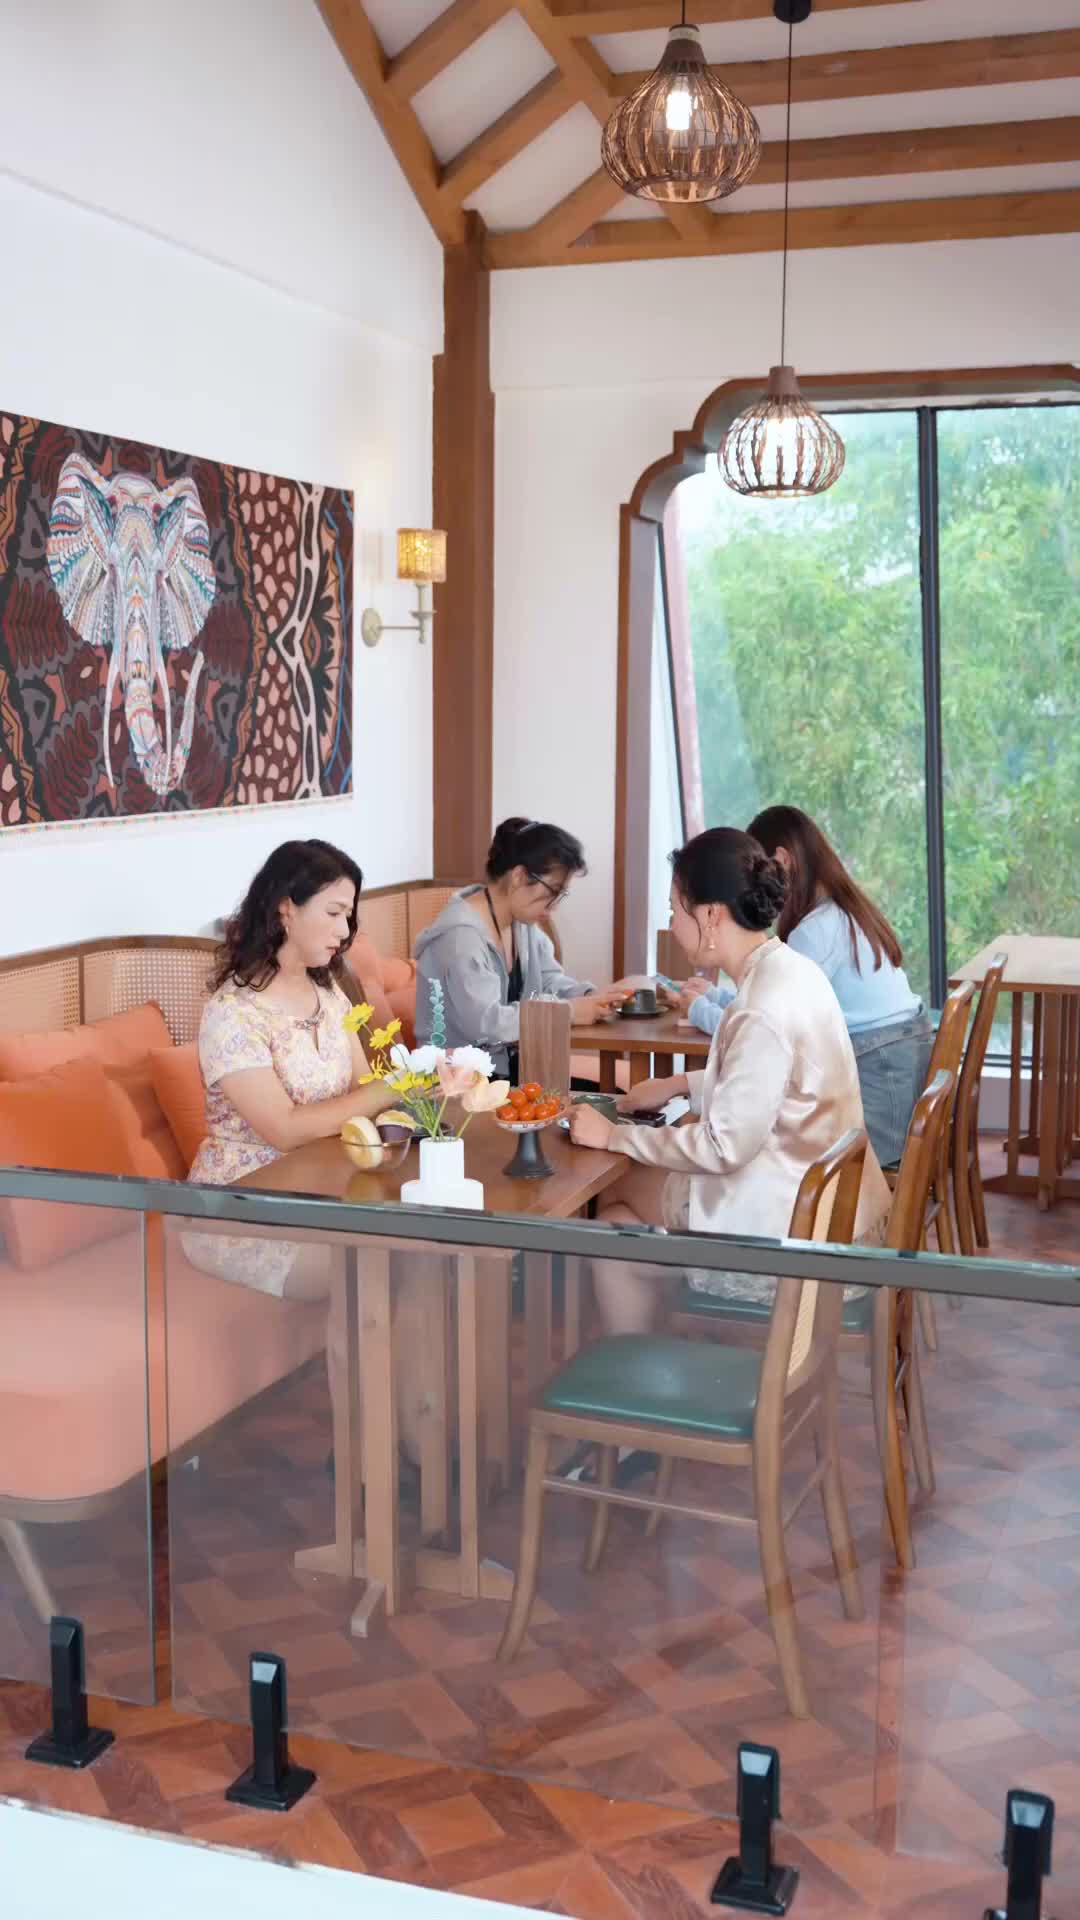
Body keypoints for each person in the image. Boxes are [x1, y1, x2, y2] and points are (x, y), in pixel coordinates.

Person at [570, 827, 890, 1337]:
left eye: (675, 910)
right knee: (623, 1221)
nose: (672, 925)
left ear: (711, 915)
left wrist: (613, 1135)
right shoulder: (794, 971)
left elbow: (724, 1146)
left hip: (788, 1236)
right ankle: (655, 1350)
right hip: (838, 1214)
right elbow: (778, 1083)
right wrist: (680, 1084)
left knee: (612, 1207)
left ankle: (638, 1362)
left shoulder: (760, 1007)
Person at [669, 806, 931, 1168]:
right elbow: (766, 1008)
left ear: (782, 860)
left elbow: (764, 1024)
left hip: (880, 1087)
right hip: (896, 1066)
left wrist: (700, 1010)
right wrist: (712, 996)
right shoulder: (838, 913)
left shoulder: (814, 931)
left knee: (721, 1139)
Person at [414, 817, 626, 1078]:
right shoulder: (460, 939)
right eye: (553, 892)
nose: (554, 906)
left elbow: (547, 981)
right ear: (518, 876)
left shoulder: (520, 923)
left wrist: (592, 996)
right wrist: (568, 1012)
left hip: (507, 1073)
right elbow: (486, 1025)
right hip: (454, 1082)